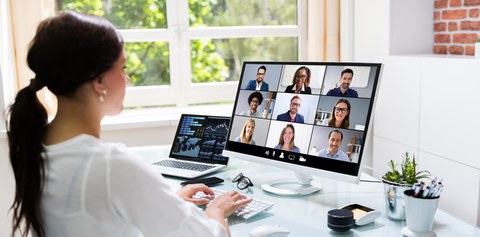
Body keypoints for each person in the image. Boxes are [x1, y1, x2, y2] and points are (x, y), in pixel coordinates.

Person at [6, 11, 251, 237]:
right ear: (99, 81)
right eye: (122, 68)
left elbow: (90, 218)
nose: (128, 79)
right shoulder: (109, 165)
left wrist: (162, 202)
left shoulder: (35, 144)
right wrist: (216, 212)